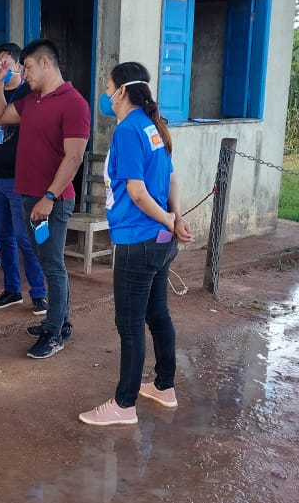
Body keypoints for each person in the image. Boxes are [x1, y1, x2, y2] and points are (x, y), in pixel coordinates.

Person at [77, 62, 193, 426]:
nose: (106, 95)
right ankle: (164, 386)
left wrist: (171, 220)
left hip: (137, 240)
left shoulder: (128, 130)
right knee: (157, 315)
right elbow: (172, 180)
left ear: (122, 91)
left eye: (108, 88)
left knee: (129, 325)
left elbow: (138, 193)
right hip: (159, 241)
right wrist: (174, 219)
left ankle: (123, 405)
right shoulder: (153, 126)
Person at [0, 39, 90, 359]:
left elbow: (74, 158)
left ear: (46, 63)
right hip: (28, 197)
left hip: (53, 202)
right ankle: (60, 320)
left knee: (52, 265)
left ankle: (55, 332)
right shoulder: (31, 100)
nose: (24, 73)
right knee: (47, 261)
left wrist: (49, 196)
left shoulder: (74, 103)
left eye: (28, 67)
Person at [0, 43, 47, 315]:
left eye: (6, 63)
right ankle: (12, 290)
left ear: (19, 66)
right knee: (3, 236)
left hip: (21, 181)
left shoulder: (30, 94)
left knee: (25, 238)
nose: (0, 68)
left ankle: (39, 294)